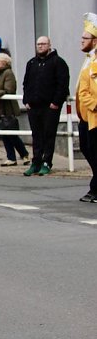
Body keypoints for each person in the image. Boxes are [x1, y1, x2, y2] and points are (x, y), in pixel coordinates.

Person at [22, 36, 70, 176]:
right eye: (38, 44)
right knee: (36, 135)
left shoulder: (58, 62)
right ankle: (35, 162)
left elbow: (62, 84)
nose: (40, 46)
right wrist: (27, 100)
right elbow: (26, 83)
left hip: (50, 107)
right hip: (33, 106)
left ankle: (46, 162)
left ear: (49, 45)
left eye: (43, 44)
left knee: (48, 135)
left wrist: (55, 102)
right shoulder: (31, 63)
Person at [0, 53, 30, 167]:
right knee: (4, 134)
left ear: (4, 63)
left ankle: (23, 154)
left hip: (8, 108)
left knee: (11, 134)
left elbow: (8, 90)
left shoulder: (8, 73)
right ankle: (12, 157)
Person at [76, 13, 97, 202]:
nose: (81, 41)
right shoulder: (88, 59)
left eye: (85, 38)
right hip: (85, 115)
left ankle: (95, 188)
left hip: (94, 114)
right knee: (87, 148)